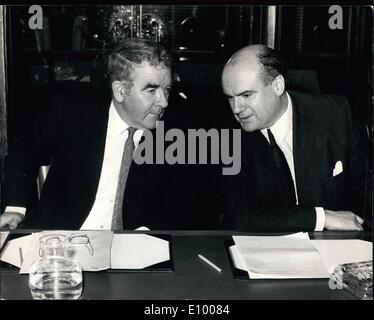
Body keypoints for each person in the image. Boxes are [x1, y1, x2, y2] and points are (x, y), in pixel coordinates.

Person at [0, 39, 174, 230]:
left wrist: (148, 233)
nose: (164, 102)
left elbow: (185, 203)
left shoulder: (174, 135)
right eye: (151, 90)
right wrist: (15, 208)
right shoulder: (73, 112)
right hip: (61, 242)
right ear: (120, 91)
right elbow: (24, 152)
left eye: (166, 90)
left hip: (134, 249)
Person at [220, 44, 372, 232]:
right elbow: (239, 214)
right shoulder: (228, 134)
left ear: (278, 85)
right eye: (230, 98)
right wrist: (321, 218)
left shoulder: (337, 115)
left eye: (246, 95)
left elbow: (367, 194)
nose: (236, 108)